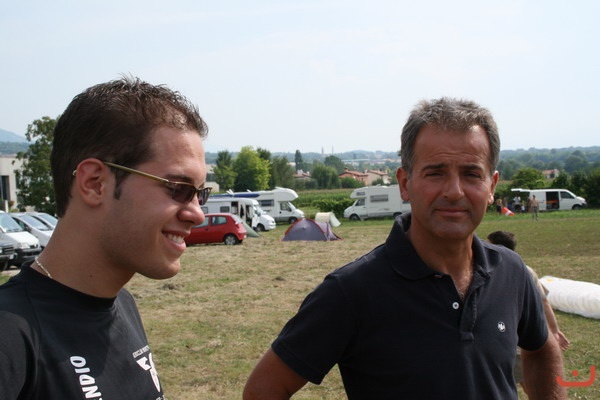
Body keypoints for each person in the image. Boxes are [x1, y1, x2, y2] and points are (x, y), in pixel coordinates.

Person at [244, 97, 566, 399]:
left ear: (492, 186)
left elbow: (542, 349)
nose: (454, 191)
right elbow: (263, 389)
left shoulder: (511, 271)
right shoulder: (351, 291)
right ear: (404, 183)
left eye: (471, 174)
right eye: (435, 173)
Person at [0, 77, 210, 399]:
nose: (197, 214)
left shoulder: (122, 305)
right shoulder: (10, 336)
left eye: (200, 194)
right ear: (95, 183)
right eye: (178, 189)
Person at [487, 230, 570, 394]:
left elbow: (543, 302)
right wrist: (555, 330)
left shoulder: (493, 270)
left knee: (529, 384)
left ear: (497, 248)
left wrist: (554, 331)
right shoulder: (525, 269)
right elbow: (544, 301)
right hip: (509, 341)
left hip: (512, 342)